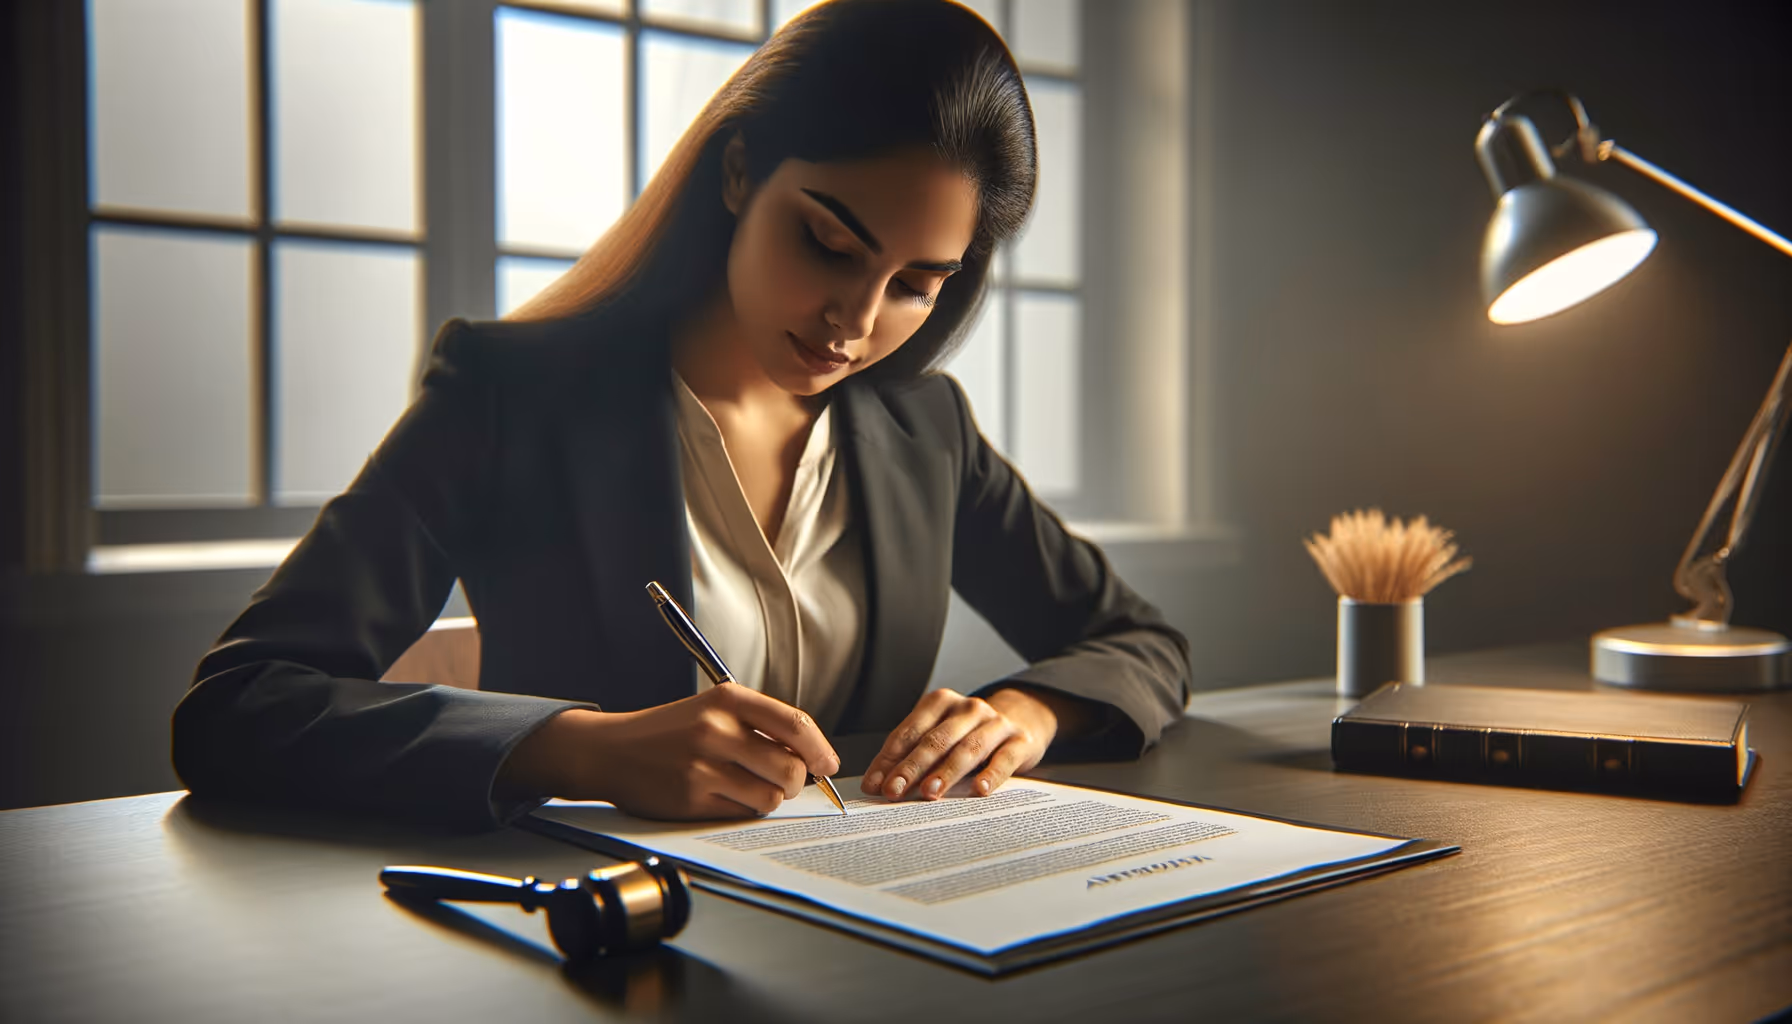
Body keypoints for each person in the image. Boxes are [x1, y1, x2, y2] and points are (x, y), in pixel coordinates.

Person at [171, 0, 1190, 832]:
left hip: (873, 943)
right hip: (598, 939)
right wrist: (581, 746)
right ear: (739, 171)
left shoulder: (927, 431)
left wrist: (1025, 712)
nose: (857, 322)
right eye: (830, 245)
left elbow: (1138, 640)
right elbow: (239, 704)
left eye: (918, 283)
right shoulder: (508, 395)